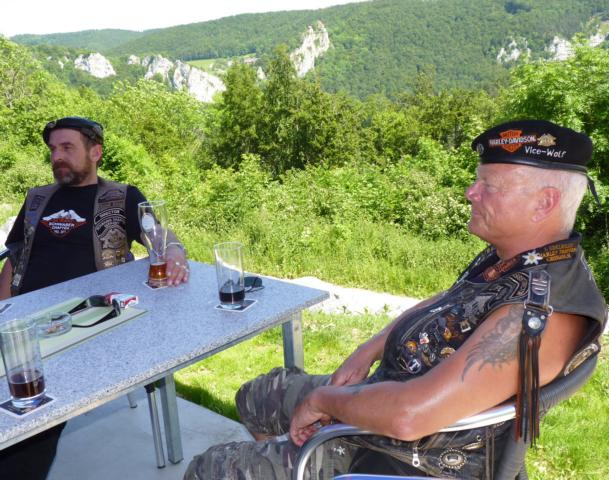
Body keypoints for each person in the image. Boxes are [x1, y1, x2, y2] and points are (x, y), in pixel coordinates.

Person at [184, 120, 607, 480]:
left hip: (400, 456)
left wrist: (322, 402)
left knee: (210, 469)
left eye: (488, 186)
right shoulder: (521, 257)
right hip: (389, 397)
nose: (470, 192)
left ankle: (299, 462)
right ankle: (292, 455)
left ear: (544, 203)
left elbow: (409, 417)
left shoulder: (541, 313)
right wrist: (369, 349)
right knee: (258, 395)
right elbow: (449, 302)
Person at [0, 116, 189, 479]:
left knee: (31, 408)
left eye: (67, 148)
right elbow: (15, 258)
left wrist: (174, 250)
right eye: (53, 149)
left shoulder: (122, 196)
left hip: (87, 319)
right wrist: (3, 312)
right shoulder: (37, 198)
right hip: (29, 316)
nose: (57, 156)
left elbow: (157, 233)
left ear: (96, 152)